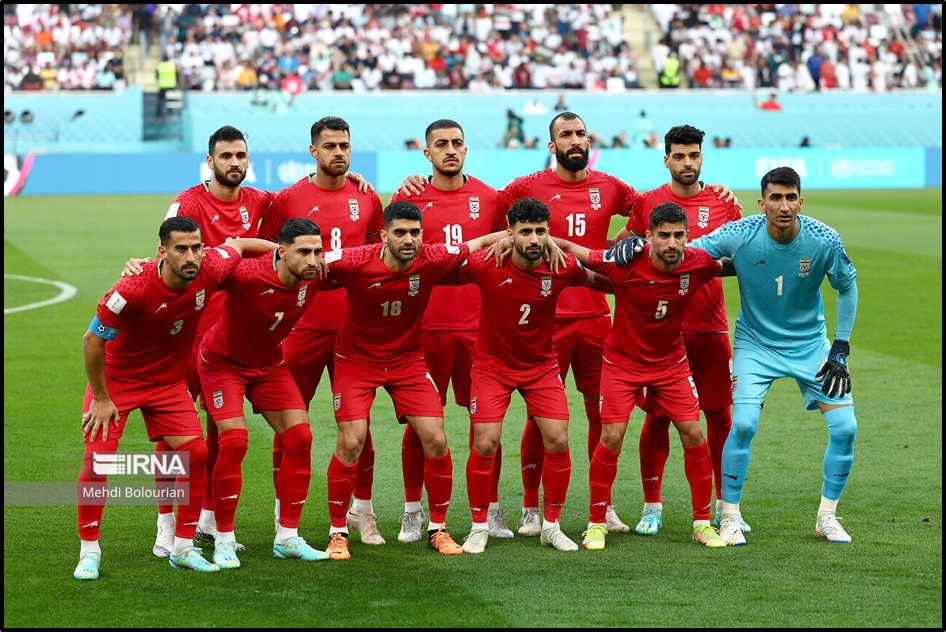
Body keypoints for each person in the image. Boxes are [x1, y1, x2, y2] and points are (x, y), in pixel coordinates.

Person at [399, 112, 737, 537]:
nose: (575, 140)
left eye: (580, 134)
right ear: (551, 144)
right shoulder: (523, 188)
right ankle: (528, 509)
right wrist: (419, 181)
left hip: (597, 315)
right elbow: (497, 218)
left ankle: (605, 507)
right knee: (532, 420)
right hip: (543, 321)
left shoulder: (612, 186)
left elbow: (652, 213)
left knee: (603, 415)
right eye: (566, 135)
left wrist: (711, 192)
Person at [74, 217, 273, 580]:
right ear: (161, 251)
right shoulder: (132, 288)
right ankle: (89, 550)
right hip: (118, 380)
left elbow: (241, 245)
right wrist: (101, 398)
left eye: (196, 247)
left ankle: (182, 546)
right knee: (98, 461)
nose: (191, 256)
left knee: (195, 454)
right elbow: (91, 341)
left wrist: (287, 255)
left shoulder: (210, 266)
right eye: (181, 249)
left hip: (166, 382)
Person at [319, 201, 506, 560]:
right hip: (356, 361)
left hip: (407, 361)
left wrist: (510, 237)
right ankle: (337, 532)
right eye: (400, 232)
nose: (409, 239)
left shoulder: (432, 257)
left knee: (436, 438)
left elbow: (476, 243)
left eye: (415, 232)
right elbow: (311, 260)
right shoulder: (355, 259)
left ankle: (437, 528)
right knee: (352, 441)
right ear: (384, 234)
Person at [688, 166, 859, 545]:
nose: (783, 206)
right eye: (776, 198)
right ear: (761, 202)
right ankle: (729, 516)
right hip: (755, 343)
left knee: (846, 429)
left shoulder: (823, 240)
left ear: (801, 201)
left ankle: (827, 518)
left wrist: (840, 347)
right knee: (744, 423)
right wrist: (640, 247)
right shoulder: (740, 233)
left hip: (810, 345)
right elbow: (688, 251)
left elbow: (848, 288)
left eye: (790, 197)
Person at [555, 203, 730, 550]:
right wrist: (526, 240)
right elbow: (575, 251)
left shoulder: (698, 263)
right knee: (612, 436)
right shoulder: (625, 264)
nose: (671, 243)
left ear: (687, 237)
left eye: (678, 235)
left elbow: (733, 263)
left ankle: (702, 523)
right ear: (648, 237)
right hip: (622, 363)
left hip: (671, 364)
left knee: (694, 433)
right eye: (663, 235)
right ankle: (596, 523)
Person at [450, 197, 611, 554]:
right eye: (525, 232)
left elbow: (601, 281)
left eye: (540, 231)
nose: (534, 239)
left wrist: (643, 279)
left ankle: (550, 526)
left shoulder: (560, 266)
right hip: (492, 366)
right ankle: (479, 526)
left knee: (557, 438)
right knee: (485, 441)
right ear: (510, 233)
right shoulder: (487, 263)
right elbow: (443, 270)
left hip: (540, 366)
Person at [256, 116, 386, 546]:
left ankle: (362, 513)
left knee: (359, 428)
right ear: (313, 151)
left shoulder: (367, 198)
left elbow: (378, 254)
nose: (338, 153)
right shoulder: (288, 198)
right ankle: (283, 520)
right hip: (301, 327)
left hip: (357, 329)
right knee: (289, 426)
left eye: (344, 145)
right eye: (329, 146)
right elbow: (267, 256)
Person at [609, 125, 743, 536]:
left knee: (720, 416)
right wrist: (626, 247)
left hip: (709, 328)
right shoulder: (648, 203)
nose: (688, 163)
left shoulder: (723, 203)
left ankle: (726, 506)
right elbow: (619, 252)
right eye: (679, 156)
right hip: (660, 335)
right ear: (666, 159)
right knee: (659, 419)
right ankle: (653, 506)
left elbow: (741, 258)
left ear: (702, 157)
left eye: (694, 155)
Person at [152, 125, 276, 558]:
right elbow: (161, 254)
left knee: (223, 433)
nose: (235, 163)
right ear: (210, 161)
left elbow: (306, 205)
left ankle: (206, 520)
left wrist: (355, 178)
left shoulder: (260, 202)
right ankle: (165, 524)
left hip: (230, 339)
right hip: (184, 337)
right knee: (173, 436)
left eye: (241, 155)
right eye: (226, 156)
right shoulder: (187, 203)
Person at [388, 119, 513, 544]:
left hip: (480, 327)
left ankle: (491, 509)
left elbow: (511, 239)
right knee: (421, 425)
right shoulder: (409, 198)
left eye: (457, 143)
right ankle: (412, 511)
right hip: (423, 328)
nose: (450, 150)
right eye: (440, 144)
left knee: (486, 424)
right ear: (426, 154)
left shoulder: (489, 198)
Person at [199, 218, 332, 568]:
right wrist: (140, 267)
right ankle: (223, 540)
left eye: (318, 251)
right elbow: (190, 268)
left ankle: (287, 537)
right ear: (282, 252)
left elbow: (377, 257)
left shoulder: (317, 274)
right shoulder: (245, 275)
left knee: (301, 437)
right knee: (234, 441)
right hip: (222, 363)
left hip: (268, 366)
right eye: (304, 252)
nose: (313, 259)